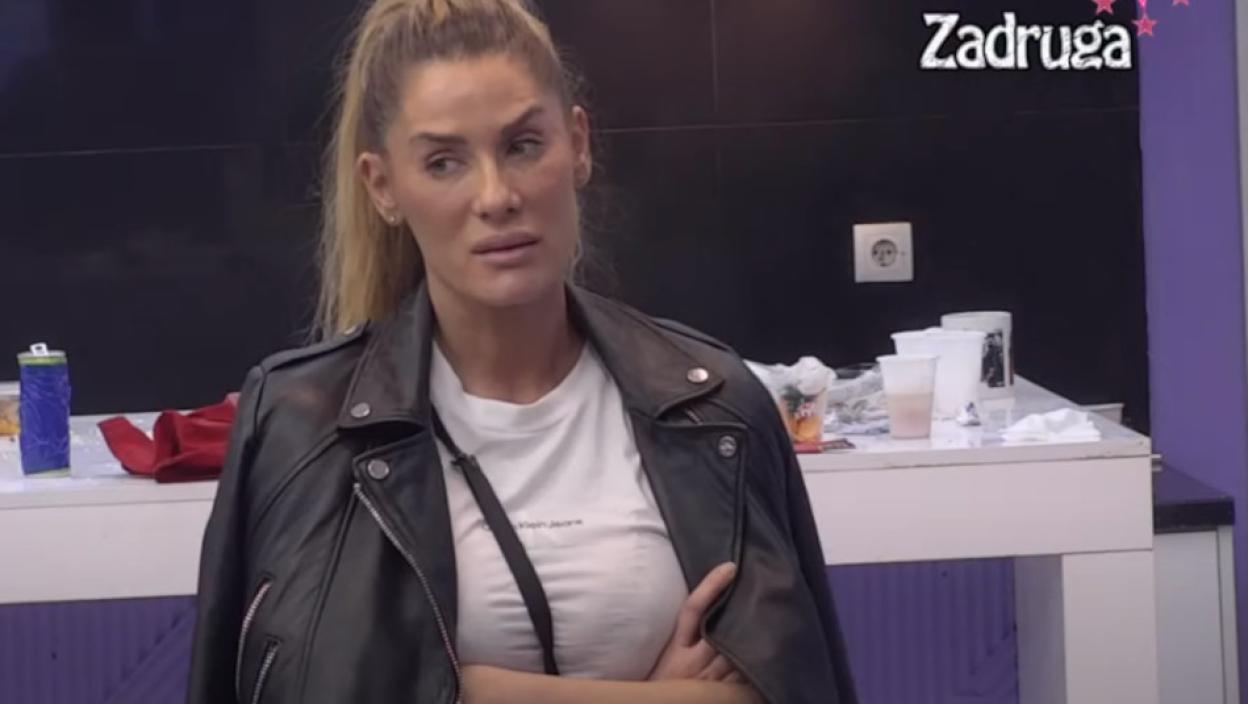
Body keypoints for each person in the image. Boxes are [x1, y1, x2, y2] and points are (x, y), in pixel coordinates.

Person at [187, 1, 858, 702]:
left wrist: (475, 688)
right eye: (444, 162)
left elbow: (791, 688)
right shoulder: (301, 428)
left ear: (579, 145)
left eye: (523, 146)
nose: (496, 196)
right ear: (383, 187)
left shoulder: (712, 406)